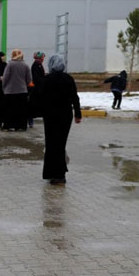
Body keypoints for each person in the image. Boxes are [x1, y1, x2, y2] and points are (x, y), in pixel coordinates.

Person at [41, 54, 81, 185]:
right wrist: (78, 114)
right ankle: (60, 175)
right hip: (65, 115)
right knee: (61, 144)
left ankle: (52, 174)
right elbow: (75, 97)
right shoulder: (68, 79)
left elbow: (40, 97)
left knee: (51, 143)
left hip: (50, 115)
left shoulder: (47, 79)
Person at [2, 49, 32, 131]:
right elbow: (29, 79)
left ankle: (8, 125)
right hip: (22, 91)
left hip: (10, 91)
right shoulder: (26, 65)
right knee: (21, 110)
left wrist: (4, 86)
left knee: (9, 109)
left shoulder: (10, 65)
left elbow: (6, 77)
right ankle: (21, 126)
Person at [28, 51, 46, 127]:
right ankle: (30, 119)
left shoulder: (39, 64)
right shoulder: (36, 65)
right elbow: (36, 78)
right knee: (33, 105)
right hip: (36, 88)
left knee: (37, 105)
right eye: (42, 58)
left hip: (39, 87)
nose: (43, 59)